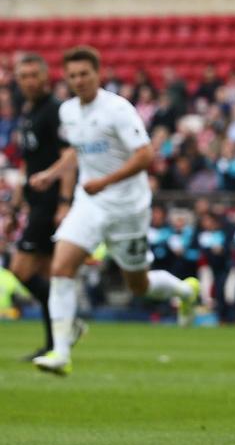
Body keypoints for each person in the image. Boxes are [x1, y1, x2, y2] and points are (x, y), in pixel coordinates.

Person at [28, 47, 201, 376]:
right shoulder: (68, 112)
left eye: (84, 74)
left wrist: (105, 181)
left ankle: (183, 290)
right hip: (89, 203)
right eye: (73, 75)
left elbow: (145, 155)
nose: (79, 80)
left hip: (127, 208)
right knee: (61, 267)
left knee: (139, 285)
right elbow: (78, 152)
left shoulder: (118, 109)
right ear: (66, 78)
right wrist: (51, 174)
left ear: (98, 73)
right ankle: (61, 352)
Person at [10, 53, 78, 360]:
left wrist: (64, 201)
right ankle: (56, 341)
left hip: (50, 203)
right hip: (35, 202)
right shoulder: (29, 112)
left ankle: (67, 328)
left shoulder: (54, 111)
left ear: (45, 76)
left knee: (21, 270)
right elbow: (28, 161)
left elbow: (69, 157)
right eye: (23, 76)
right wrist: (17, 204)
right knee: (48, 275)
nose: (28, 81)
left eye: (33, 75)